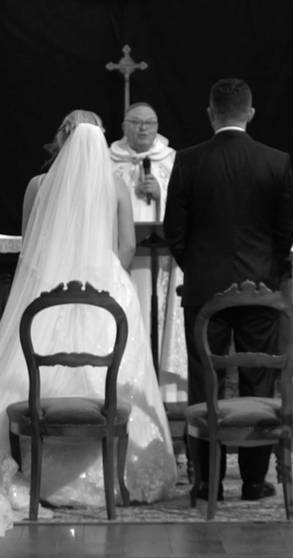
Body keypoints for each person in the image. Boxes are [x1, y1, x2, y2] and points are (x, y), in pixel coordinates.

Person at [0, 110, 177, 539]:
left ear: (61, 138)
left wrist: (55, 280)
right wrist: (102, 278)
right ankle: (114, 476)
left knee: (32, 372)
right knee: (113, 374)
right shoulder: (115, 185)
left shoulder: (37, 186)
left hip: (45, 290)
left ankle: (39, 470)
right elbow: (125, 246)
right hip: (108, 295)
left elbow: (31, 248)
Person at [164, 78, 293, 502]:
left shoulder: (187, 162)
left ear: (210, 112)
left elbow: (175, 232)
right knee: (260, 380)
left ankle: (207, 482)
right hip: (260, 288)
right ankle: (255, 481)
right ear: (250, 112)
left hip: (206, 291)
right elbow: (286, 232)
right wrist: (267, 275)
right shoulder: (275, 161)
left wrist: (201, 272)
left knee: (207, 383)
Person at [109, 103, 187, 403]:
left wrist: (162, 194)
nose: (143, 128)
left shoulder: (172, 160)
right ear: (124, 125)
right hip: (122, 258)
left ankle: (165, 392)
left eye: (149, 123)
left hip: (163, 260)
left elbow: (188, 206)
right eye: (137, 122)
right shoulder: (106, 159)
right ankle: (125, 387)